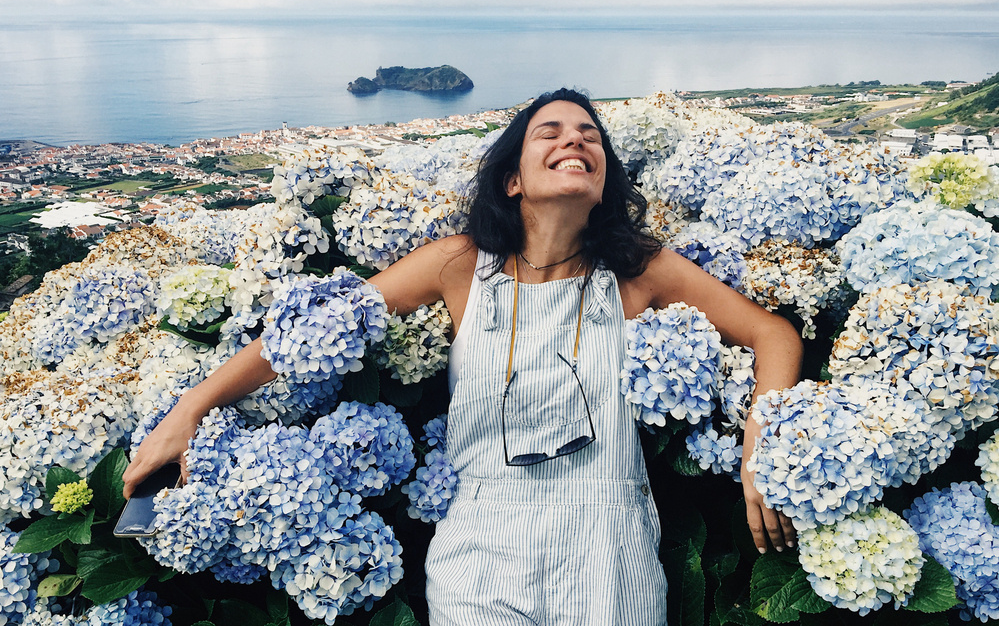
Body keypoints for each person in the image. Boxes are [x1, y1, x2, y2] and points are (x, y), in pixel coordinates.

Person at [124, 88, 802, 625]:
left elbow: (773, 335)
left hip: (607, 544)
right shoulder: (457, 266)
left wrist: (758, 455)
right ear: (511, 179)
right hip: (478, 543)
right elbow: (312, 330)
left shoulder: (640, 272)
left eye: (589, 137)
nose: (574, 140)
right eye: (552, 132)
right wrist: (193, 404)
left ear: (602, 180)